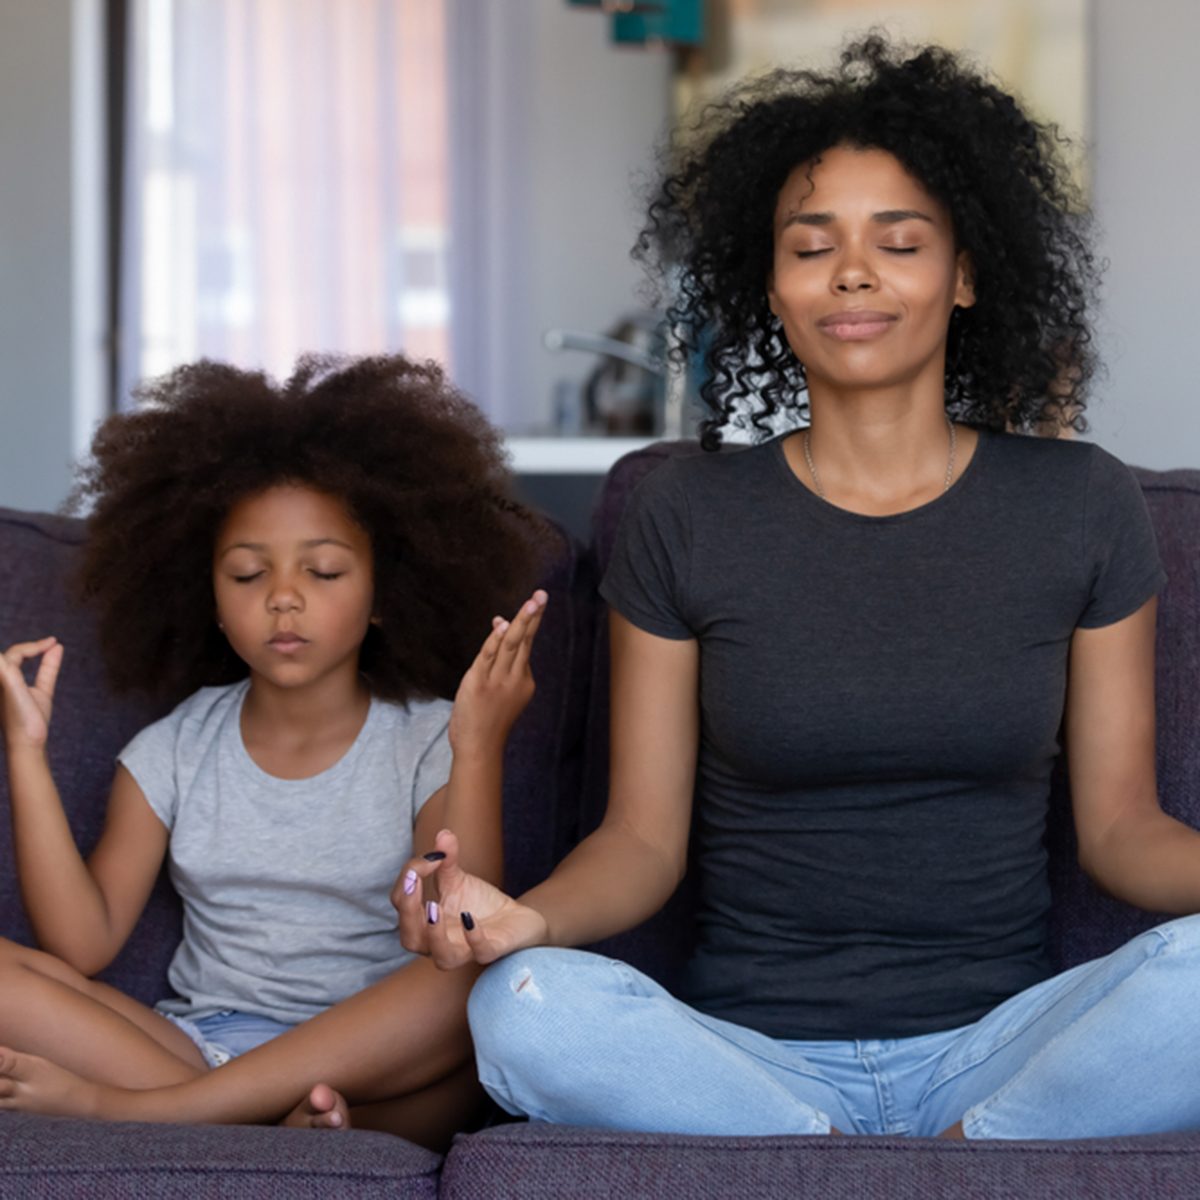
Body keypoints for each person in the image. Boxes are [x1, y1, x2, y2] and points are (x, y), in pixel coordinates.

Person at [394, 37, 1200, 1140]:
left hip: (1001, 1049)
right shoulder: (690, 515)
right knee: (523, 1008)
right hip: (751, 1063)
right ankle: (842, 1159)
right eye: (811, 246)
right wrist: (522, 923)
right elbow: (639, 842)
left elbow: (1123, 833)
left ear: (964, 274)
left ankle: (956, 1148)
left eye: (900, 243)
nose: (853, 273)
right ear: (769, 287)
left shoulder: (1081, 505)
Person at [0, 353, 547, 1150]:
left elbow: (451, 920)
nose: (283, 597)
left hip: (376, 1061)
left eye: (323, 570)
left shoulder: (429, 736)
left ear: (384, 594)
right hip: (198, 1047)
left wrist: (478, 747)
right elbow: (82, 943)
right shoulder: (175, 748)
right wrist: (24, 751)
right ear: (209, 600)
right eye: (248, 574)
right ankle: (279, 1123)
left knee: (468, 980)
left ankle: (161, 1113)